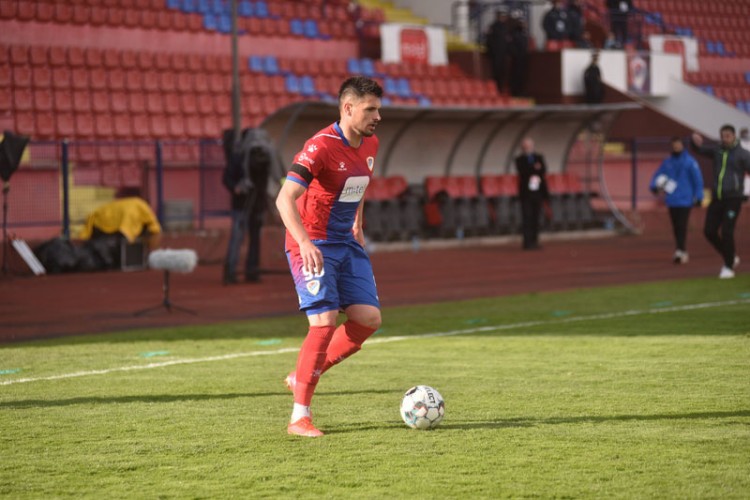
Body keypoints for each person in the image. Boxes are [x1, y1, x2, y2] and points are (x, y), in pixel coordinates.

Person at [275, 76, 383, 437]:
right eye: (370, 109)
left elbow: (360, 183)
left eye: (378, 109)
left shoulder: (371, 143)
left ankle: (300, 375)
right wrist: (305, 243)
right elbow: (284, 199)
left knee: (368, 319)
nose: (378, 116)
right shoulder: (320, 146)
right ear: (348, 109)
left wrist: (358, 223)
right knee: (323, 323)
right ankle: (299, 418)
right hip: (313, 243)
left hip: (345, 242)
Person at [691, 125, 750, 278]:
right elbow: (699, 150)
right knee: (709, 231)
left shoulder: (743, 154)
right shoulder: (717, 151)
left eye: (728, 136)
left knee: (727, 232)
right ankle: (730, 256)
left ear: (734, 136)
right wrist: (694, 142)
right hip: (717, 197)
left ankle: (728, 266)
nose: (725, 139)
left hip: (734, 199)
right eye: (723, 136)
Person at [222, 128, 273, 284]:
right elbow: (226, 178)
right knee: (237, 238)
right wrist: (236, 187)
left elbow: (270, 177)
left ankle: (252, 270)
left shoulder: (267, 157)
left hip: (257, 204)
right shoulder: (238, 157)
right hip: (241, 205)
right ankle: (230, 271)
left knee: (255, 238)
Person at [649, 137, 704, 264]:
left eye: (678, 145)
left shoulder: (690, 162)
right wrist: (653, 186)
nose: (676, 147)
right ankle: (680, 249)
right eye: (674, 145)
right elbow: (657, 175)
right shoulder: (667, 162)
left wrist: (699, 196)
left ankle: (681, 250)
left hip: (685, 199)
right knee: (675, 226)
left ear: (682, 146)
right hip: (672, 199)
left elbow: (698, 180)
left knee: (682, 225)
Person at [514, 137, 551, 250]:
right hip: (526, 193)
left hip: (538, 192)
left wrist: (534, 169)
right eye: (525, 146)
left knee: (536, 217)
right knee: (527, 217)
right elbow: (523, 172)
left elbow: (543, 170)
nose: (527, 148)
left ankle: (535, 240)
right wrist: (534, 168)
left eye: (529, 145)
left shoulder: (539, 157)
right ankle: (527, 242)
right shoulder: (519, 159)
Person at [485, 9, 511, 94]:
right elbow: (489, 40)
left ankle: (500, 88)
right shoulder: (494, 27)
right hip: (496, 53)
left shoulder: (505, 27)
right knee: (497, 72)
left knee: (502, 72)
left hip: (502, 53)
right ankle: (497, 89)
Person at [508, 14, 529, 97]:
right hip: (516, 58)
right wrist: (515, 54)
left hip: (523, 57)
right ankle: (515, 92)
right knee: (516, 75)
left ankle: (520, 91)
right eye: (521, 23)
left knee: (522, 76)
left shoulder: (524, 32)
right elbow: (512, 45)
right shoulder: (514, 32)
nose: (523, 24)